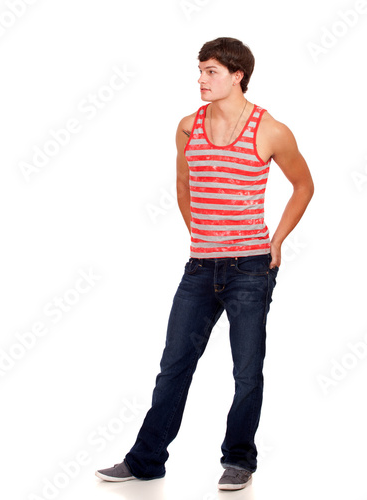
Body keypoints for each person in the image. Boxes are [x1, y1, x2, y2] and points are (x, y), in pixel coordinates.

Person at [95, 37, 314, 491]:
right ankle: (146, 460)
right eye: (199, 70)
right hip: (199, 267)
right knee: (175, 364)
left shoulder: (270, 129)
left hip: (251, 268)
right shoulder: (186, 126)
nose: (200, 79)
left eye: (210, 71)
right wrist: (202, 236)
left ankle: (239, 460)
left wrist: (276, 242)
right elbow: (183, 187)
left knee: (246, 370)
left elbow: (304, 186)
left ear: (237, 75)